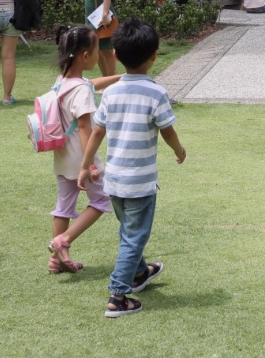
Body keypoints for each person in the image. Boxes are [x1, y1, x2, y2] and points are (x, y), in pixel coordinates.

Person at [79, 19, 186, 318]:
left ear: (114, 55)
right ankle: (118, 296)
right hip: (140, 183)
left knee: (129, 231)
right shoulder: (156, 94)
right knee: (135, 236)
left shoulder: (110, 93)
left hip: (114, 181)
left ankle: (139, 273)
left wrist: (85, 166)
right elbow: (167, 131)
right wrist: (180, 151)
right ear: (154, 56)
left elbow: (97, 132)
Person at [46, 25, 123, 274]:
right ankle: (63, 241)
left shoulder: (63, 81)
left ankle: (57, 260)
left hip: (62, 155)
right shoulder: (81, 91)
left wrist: (123, 77)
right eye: (97, 48)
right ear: (85, 56)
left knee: (64, 206)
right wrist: (88, 165)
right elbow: (84, 127)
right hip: (81, 157)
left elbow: (92, 83)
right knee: (101, 200)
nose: (100, 52)